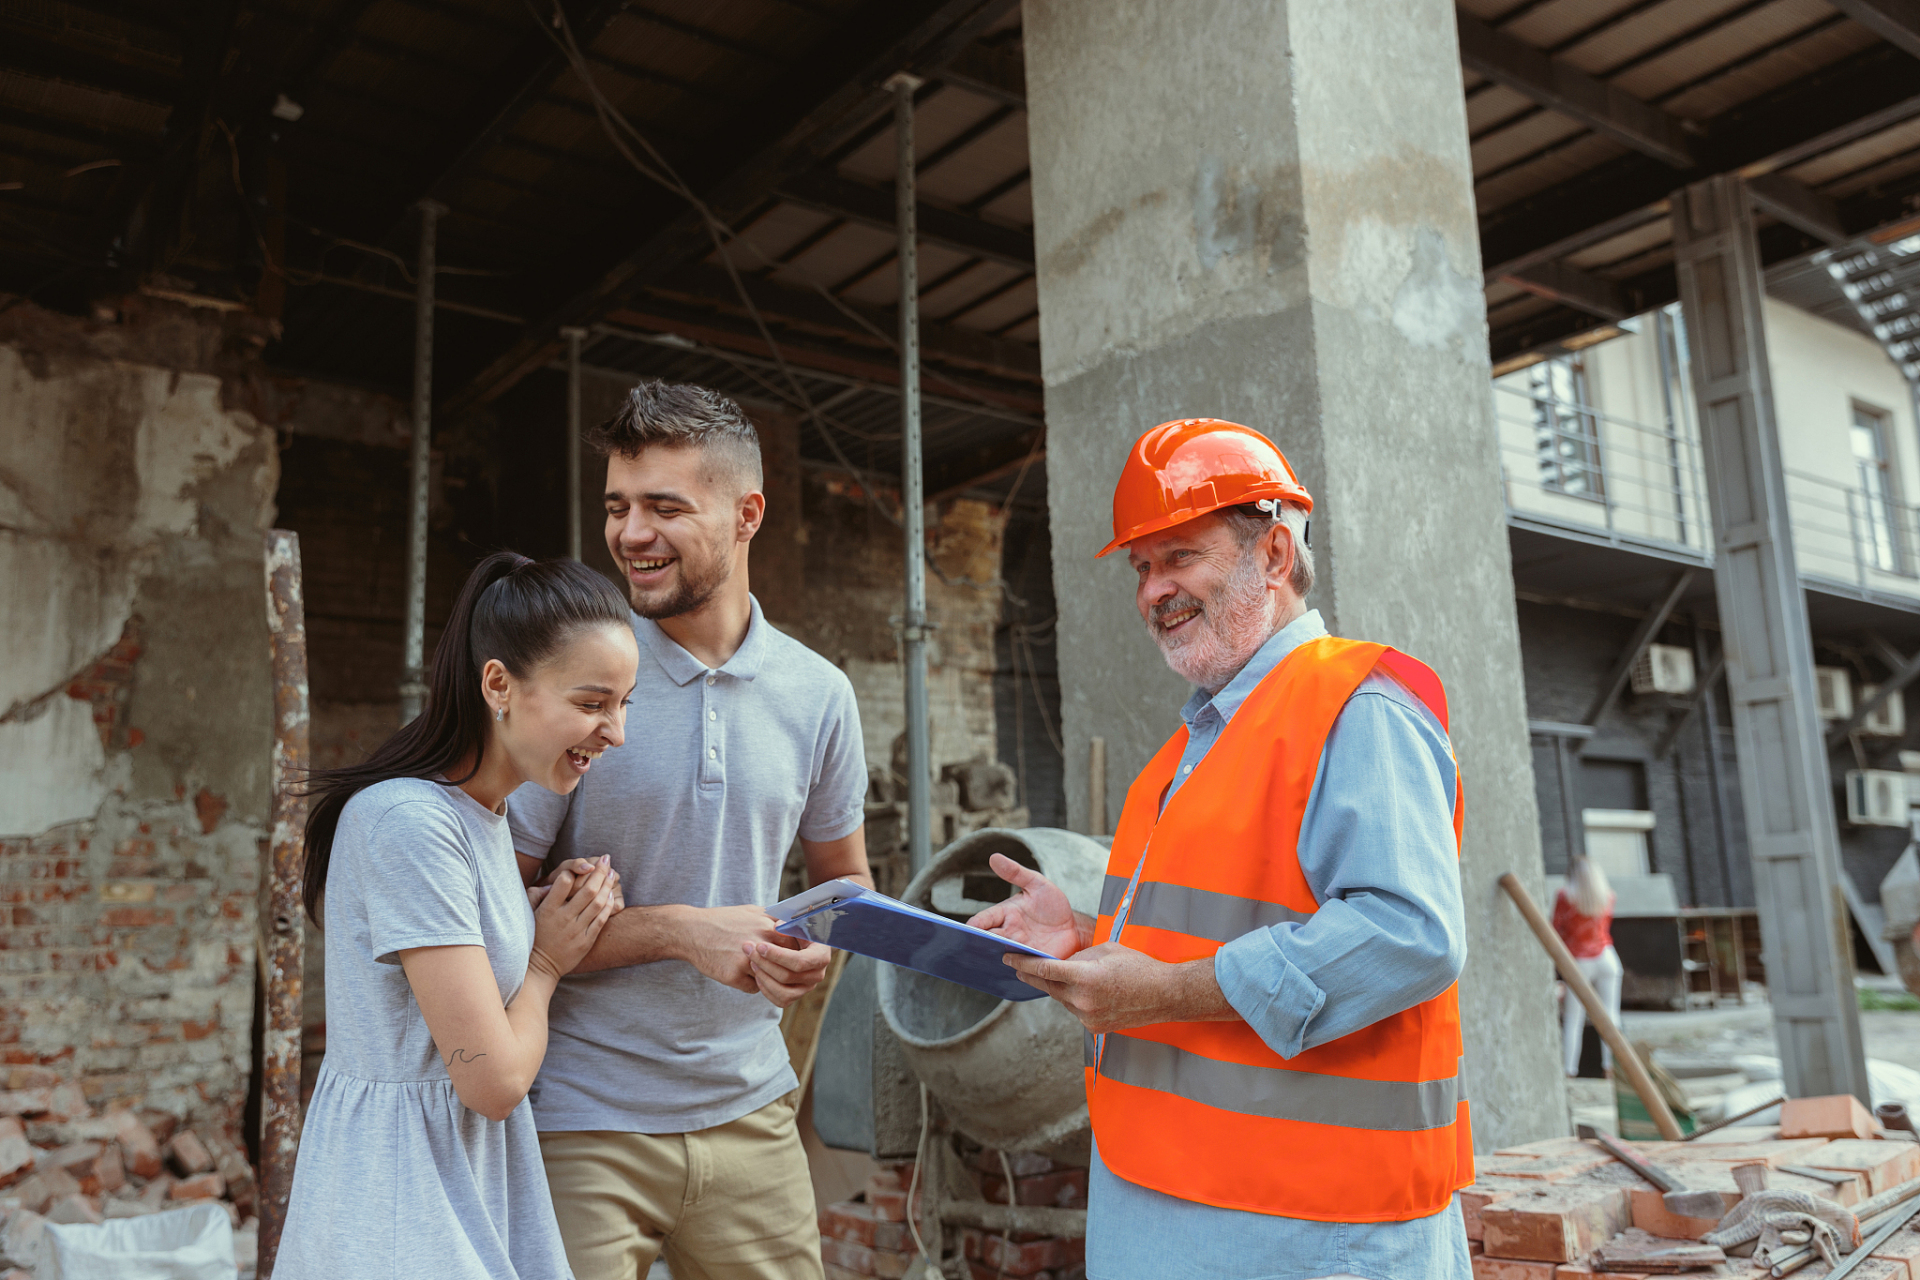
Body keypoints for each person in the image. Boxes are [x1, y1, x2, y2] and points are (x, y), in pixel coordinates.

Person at [969, 419, 1474, 1280]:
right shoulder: (1185, 754)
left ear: (1274, 555)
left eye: (1179, 557)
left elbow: (1409, 935)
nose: (1153, 590)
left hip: (1311, 1225)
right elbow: (1216, 927)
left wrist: (1161, 990)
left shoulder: (1357, 706)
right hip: (1175, 1197)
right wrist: (1086, 938)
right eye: (1141, 567)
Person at [509, 381, 872, 1280]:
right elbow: (490, 917)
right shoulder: (570, 681)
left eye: (665, 507)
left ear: (747, 513)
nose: (631, 533)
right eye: (617, 507)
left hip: (753, 1112)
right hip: (583, 1116)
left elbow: (847, 889)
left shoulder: (820, 695)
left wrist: (816, 947)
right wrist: (678, 933)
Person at [276, 552, 638, 1280]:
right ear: (498, 684)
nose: (617, 732)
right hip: (403, 1203)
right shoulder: (409, 822)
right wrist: (545, 962)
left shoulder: (481, 816)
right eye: (594, 703)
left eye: (627, 704)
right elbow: (493, 1082)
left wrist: (532, 907)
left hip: (457, 1185)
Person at [1553, 854, 1621, 1077]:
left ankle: (1569, 1070)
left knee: (1574, 1018)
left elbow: (1555, 929)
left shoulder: (1566, 896)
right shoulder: (1607, 896)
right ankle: (1611, 1067)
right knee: (1611, 1015)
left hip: (1579, 961)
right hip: (1607, 957)